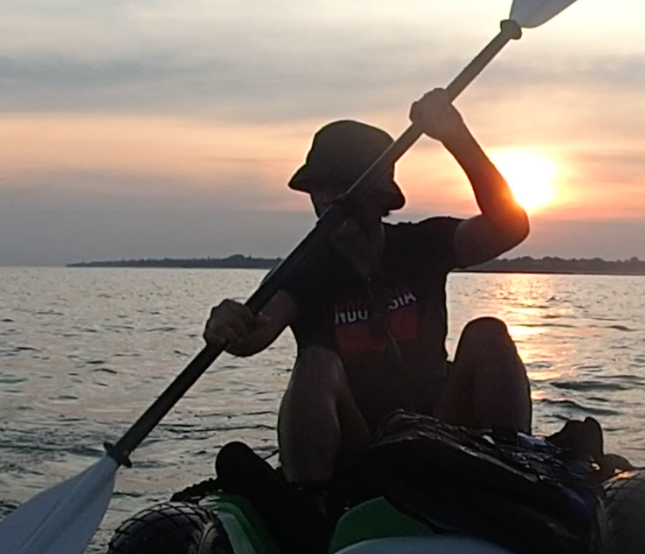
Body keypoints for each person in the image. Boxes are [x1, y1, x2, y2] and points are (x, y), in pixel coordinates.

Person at [203, 88, 533, 490]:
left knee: (488, 332)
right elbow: (257, 330)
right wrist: (230, 325)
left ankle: (518, 478)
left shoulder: (421, 245)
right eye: (319, 188)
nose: (328, 199)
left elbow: (509, 226)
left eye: (343, 186)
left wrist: (456, 137)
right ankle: (311, 509)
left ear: (381, 198)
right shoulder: (305, 269)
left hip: (442, 433)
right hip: (358, 449)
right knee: (317, 362)